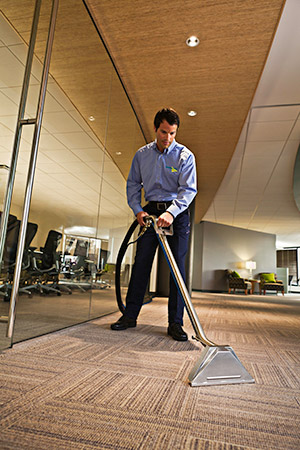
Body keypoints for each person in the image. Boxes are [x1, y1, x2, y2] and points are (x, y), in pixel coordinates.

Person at [111, 108, 197, 341]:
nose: (167, 138)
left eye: (172, 133)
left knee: (176, 269)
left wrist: (171, 212)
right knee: (141, 264)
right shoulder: (142, 155)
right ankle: (129, 316)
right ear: (155, 128)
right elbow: (132, 185)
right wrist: (138, 210)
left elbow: (188, 190)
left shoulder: (184, 156)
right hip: (149, 213)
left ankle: (176, 324)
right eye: (163, 132)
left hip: (176, 215)